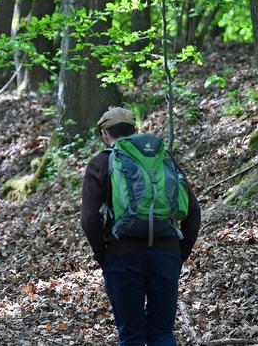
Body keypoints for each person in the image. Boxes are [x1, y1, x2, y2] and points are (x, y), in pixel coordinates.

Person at [81, 107, 202, 346]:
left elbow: (89, 219)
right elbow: (193, 213)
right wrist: (178, 253)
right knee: (162, 332)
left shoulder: (101, 162)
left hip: (122, 256)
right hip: (166, 254)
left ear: (105, 134)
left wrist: (104, 257)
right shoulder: (164, 159)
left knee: (132, 335)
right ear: (135, 130)